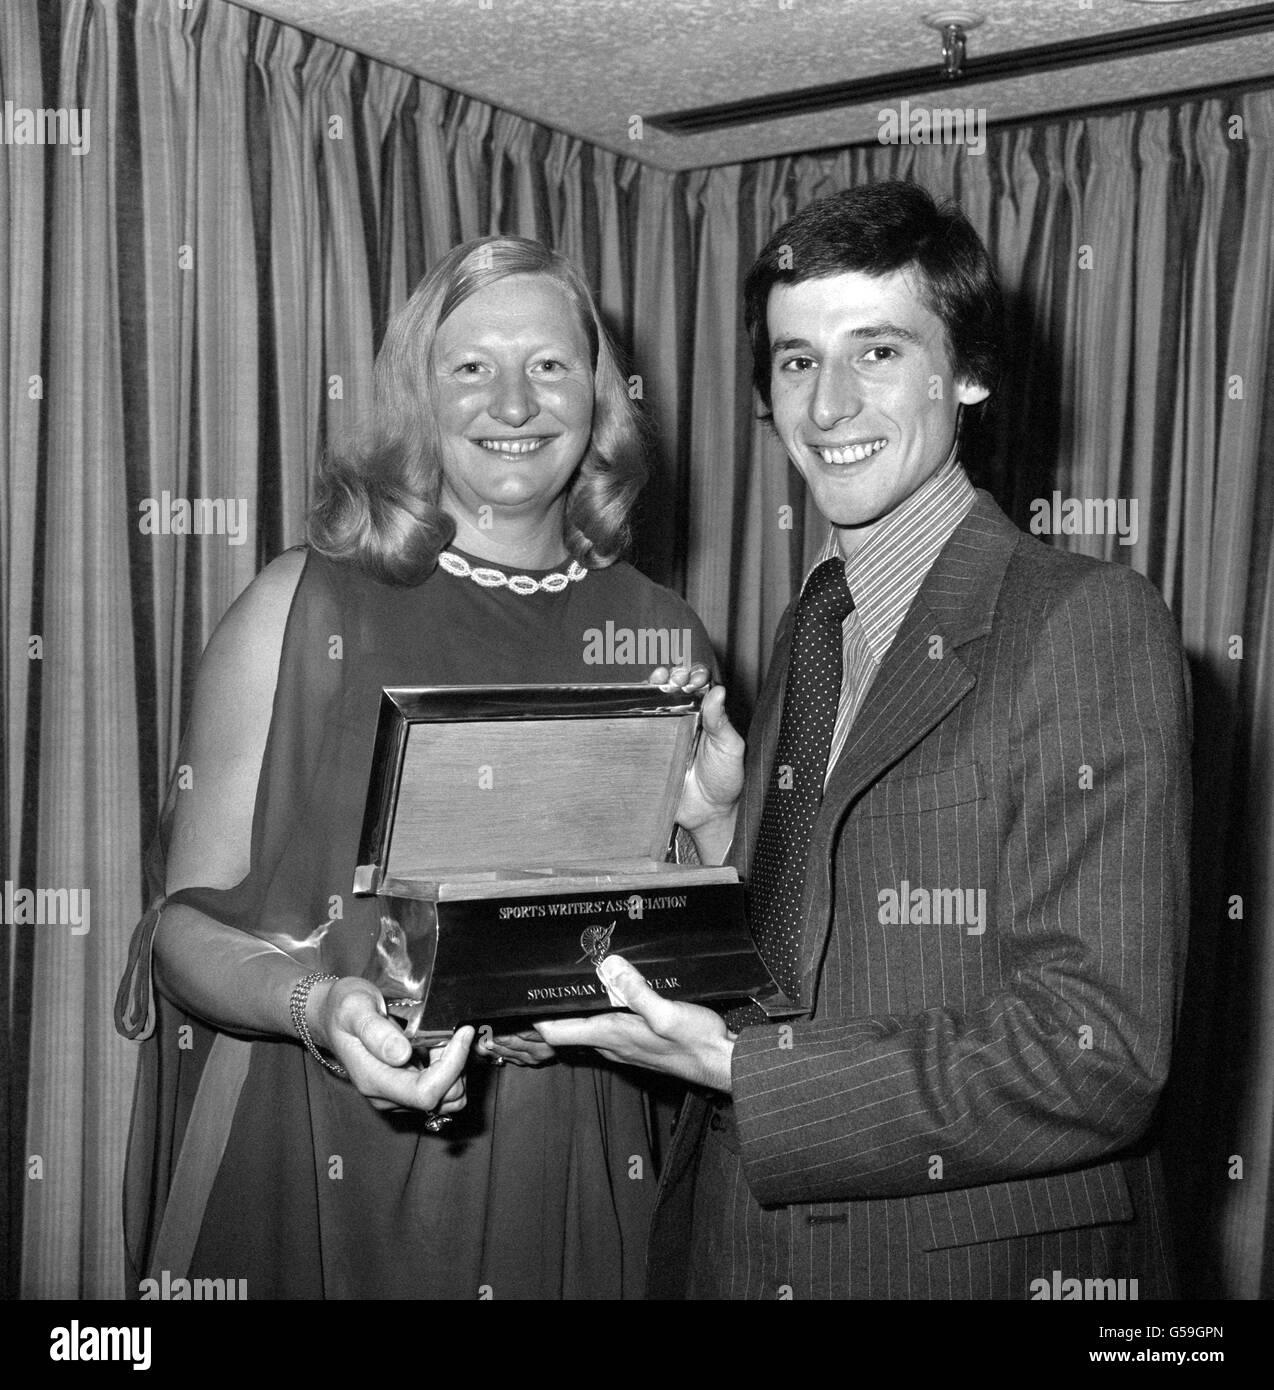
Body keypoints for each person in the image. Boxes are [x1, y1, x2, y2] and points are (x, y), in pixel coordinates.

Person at [537, 181, 1192, 1299]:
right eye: (796, 361)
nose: (828, 404)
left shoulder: (1084, 618)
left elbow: (1097, 1053)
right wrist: (712, 842)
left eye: (875, 351)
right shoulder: (814, 621)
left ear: (968, 374)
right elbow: (809, 958)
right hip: (735, 1247)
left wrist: (738, 1068)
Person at [114, 235, 714, 1300]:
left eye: (550, 365)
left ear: (600, 397)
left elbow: (698, 960)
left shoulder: (662, 633)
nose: (515, 402)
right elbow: (179, 929)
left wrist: (712, 837)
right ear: (414, 395)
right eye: (470, 367)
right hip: (309, 1136)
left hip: (564, 1156)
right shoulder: (301, 606)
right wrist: (322, 1005)